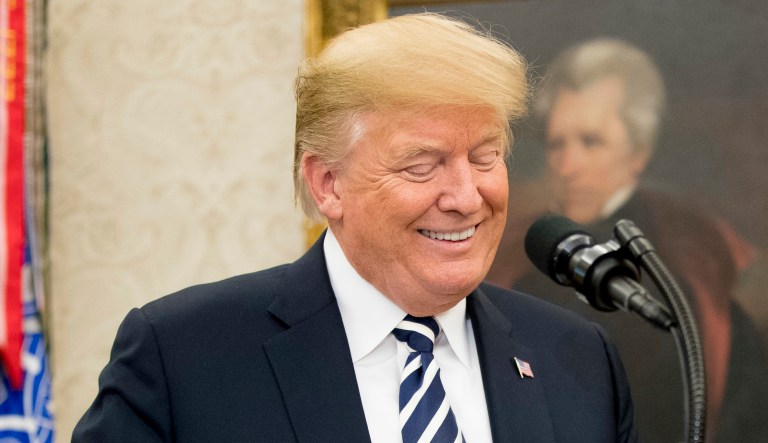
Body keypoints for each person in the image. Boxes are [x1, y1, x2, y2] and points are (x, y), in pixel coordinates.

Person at [72, 14, 638, 442]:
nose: (467, 197)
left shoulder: (577, 359)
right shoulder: (182, 358)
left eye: (485, 157)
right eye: (422, 165)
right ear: (328, 185)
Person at [502, 38, 768, 442]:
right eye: (557, 144)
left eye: (591, 141)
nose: (567, 166)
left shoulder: (690, 254)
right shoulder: (523, 252)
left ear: (638, 151)